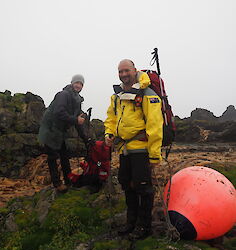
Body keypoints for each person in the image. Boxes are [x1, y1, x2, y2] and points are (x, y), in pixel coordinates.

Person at [104, 59, 163, 239]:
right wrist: (108, 133)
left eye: (126, 71)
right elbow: (111, 118)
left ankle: (144, 226)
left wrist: (154, 157)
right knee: (127, 184)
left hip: (141, 149)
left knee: (143, 187)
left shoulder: (147, 93)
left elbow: (155, 126)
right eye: (120, 72)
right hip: (124, 149)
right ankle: (131, 222)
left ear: (134, 70)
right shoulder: (117, 96)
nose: (123, 74)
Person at [38, 74, 90, 193]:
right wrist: (75, 119)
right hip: (50, 129)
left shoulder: (76, 99)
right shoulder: (64, 95)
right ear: (72, 83)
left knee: (64, 155)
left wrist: (86, 139)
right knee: (52, 157)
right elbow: (59, 112)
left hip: (60, 131)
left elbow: (77, 123)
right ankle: (57, 184)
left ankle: (68, 180)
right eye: (76, 83)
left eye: (81, 84)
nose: (78, 85)